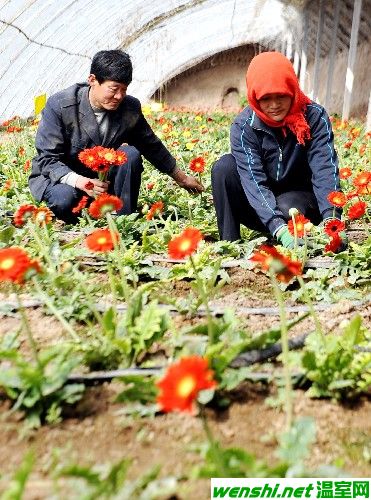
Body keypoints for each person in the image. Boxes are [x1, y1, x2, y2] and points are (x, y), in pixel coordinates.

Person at [29, 50, 203, 223]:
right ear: (92, 80)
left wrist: (182, 178)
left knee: (131, 154)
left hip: (102, 183)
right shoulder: (61, 105)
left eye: (124, 89)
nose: (119, 96)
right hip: (64, 180)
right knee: (64, 201)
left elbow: (151, 146)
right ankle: (87, 212)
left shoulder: (129, 107)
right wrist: (81, 182)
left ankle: (123, 222)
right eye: (113, 89)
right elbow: (47, 158)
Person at [211, 51, 346, 249]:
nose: (274, 105)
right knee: (223, 168)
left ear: (292, 89)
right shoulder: (243, 127)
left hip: (302, 204)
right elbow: (253, 180)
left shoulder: (315, 117)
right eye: (266, 98)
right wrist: (278, 227)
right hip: (261, 207)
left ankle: (290, 231)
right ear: (255, 97)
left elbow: (324, 168)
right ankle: (229, 245)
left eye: (281, 96)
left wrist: (332, 220)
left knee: (287, 206)